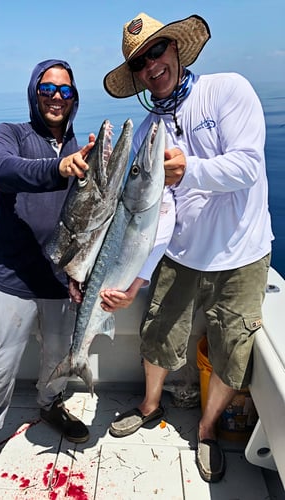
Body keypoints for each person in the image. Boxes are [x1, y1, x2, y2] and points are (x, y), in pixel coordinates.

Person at [101, 13, 273, 484]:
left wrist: (189, 170)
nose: (152, 65)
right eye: (140, 62)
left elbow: (248, 167)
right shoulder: (147, 128)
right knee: (158, 331)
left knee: (229, 350)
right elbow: (154, 217)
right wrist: (135, 279)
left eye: (157, 51)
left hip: (242, 254)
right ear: (135, 74)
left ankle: (206, 429)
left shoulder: (227, 90)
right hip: (179, 254)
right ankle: (150, 405)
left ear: (176, 48)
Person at [0, 59, 95, 498]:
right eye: (48, 88)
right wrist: (58, 169)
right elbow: (1, 169)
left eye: (66, 91)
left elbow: (95, 216)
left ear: (75, 99)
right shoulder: (8, 134)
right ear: (34, 91)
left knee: (59, 358)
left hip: (62, 281)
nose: (57, 97)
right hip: (11, 276)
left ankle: (51, 405)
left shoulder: (83, 150)